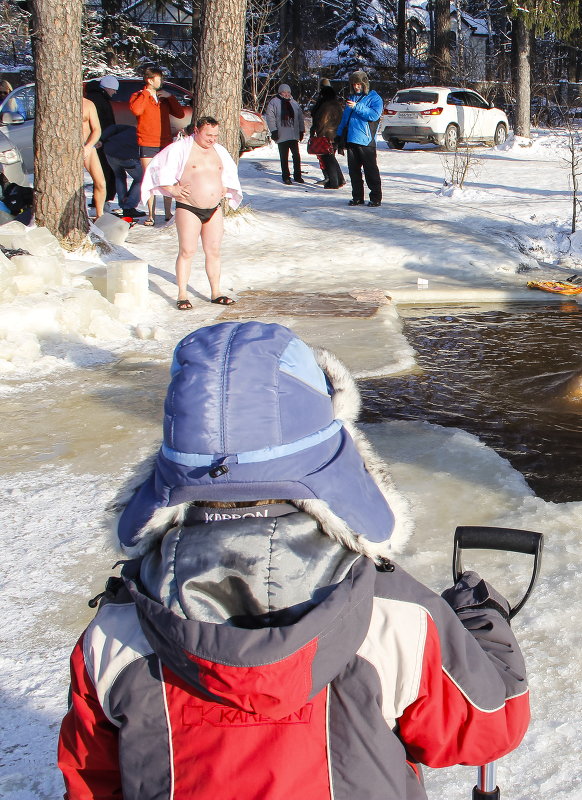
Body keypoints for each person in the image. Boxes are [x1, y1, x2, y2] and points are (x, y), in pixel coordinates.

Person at [57, 320, 530, 800]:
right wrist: (482, 619)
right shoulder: (394, 614)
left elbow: (93, 778)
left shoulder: (115, 632)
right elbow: (485, 727)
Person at [142, 117, 243, 310]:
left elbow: (227, 173)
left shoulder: (219, 151)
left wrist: (225, 188)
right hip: (189, 207)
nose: (212, 139)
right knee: (187, 251)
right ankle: (182, 294)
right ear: (196, 130)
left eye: (215, 135)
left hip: (214, 208)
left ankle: (216, 292)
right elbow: (158, 168)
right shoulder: (180, 149)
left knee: (213, 251)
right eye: (208, 135)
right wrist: (172, 190)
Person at [129, 66, 186, 226]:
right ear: (150, 80)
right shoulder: (139, 96)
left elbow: (180, 114)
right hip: (147, 143)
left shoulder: (164, 98)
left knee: (168, 177)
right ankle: (151, 214)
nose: (162, 81)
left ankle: (168, 213)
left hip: (165, 142)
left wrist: (170, 97)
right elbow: (137, 110)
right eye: (159, 78)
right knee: (150, 178)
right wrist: (146, 93)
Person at [335, 70, 383, 207]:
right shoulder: (351, 98)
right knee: (354, 171)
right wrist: (339, 135)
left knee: (370, 170)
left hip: (366, 140)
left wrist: (357, 107)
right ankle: (357, 197)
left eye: (359, 84)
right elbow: (345, 119)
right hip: (351, 139)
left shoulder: (375, 98)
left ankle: (375, 197)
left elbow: (374, 115)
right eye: (354, 84)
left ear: (365, 84)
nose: (356, 87)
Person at [85, 76, 119, 209]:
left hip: (99, 139)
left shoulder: (98, 98)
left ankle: (102, 201)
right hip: (97, 141)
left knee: (104, 172)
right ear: (108, 88)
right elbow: (99, 123)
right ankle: (100, 202)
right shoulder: (97, 100)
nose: (115, 93)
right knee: (103, 172)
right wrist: (100, 138)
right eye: (114, 90)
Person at [99, 123, 144, 217]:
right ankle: (129, 206)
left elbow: (113, 127)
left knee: (119, 176)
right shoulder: (143, 135)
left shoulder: (128, 128)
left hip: (110, 153)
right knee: (141, 179)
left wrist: (101, 139)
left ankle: (123, 203)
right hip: (128, 156)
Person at [264, 83, 305, 184]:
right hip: (281, 134)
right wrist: (274, 131)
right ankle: (286, 176)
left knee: (296, 155)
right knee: (284, 156)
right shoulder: (274, 103)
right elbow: (270, 118)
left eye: (288, 92)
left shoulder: (294, 103)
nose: (286, 94)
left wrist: (301, 130)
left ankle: (297, 175)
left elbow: (300, 118)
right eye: (284, 92)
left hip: (293, 134)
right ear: (280, 92)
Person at [309, 79, 345, 189]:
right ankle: (339, 180)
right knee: (331, 158)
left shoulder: (325, 105)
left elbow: (321, 122)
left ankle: (334, 182)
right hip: (335, 135)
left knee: (328, 159)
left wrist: (316, 133)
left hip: (326, 135)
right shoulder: (337, 104)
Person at [81, 94, 106, 219]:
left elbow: (97, 129)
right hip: (69, 149)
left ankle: (99, 215)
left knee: (100, 182)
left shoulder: (88, 104)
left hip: (87, 147)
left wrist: (89, 146)